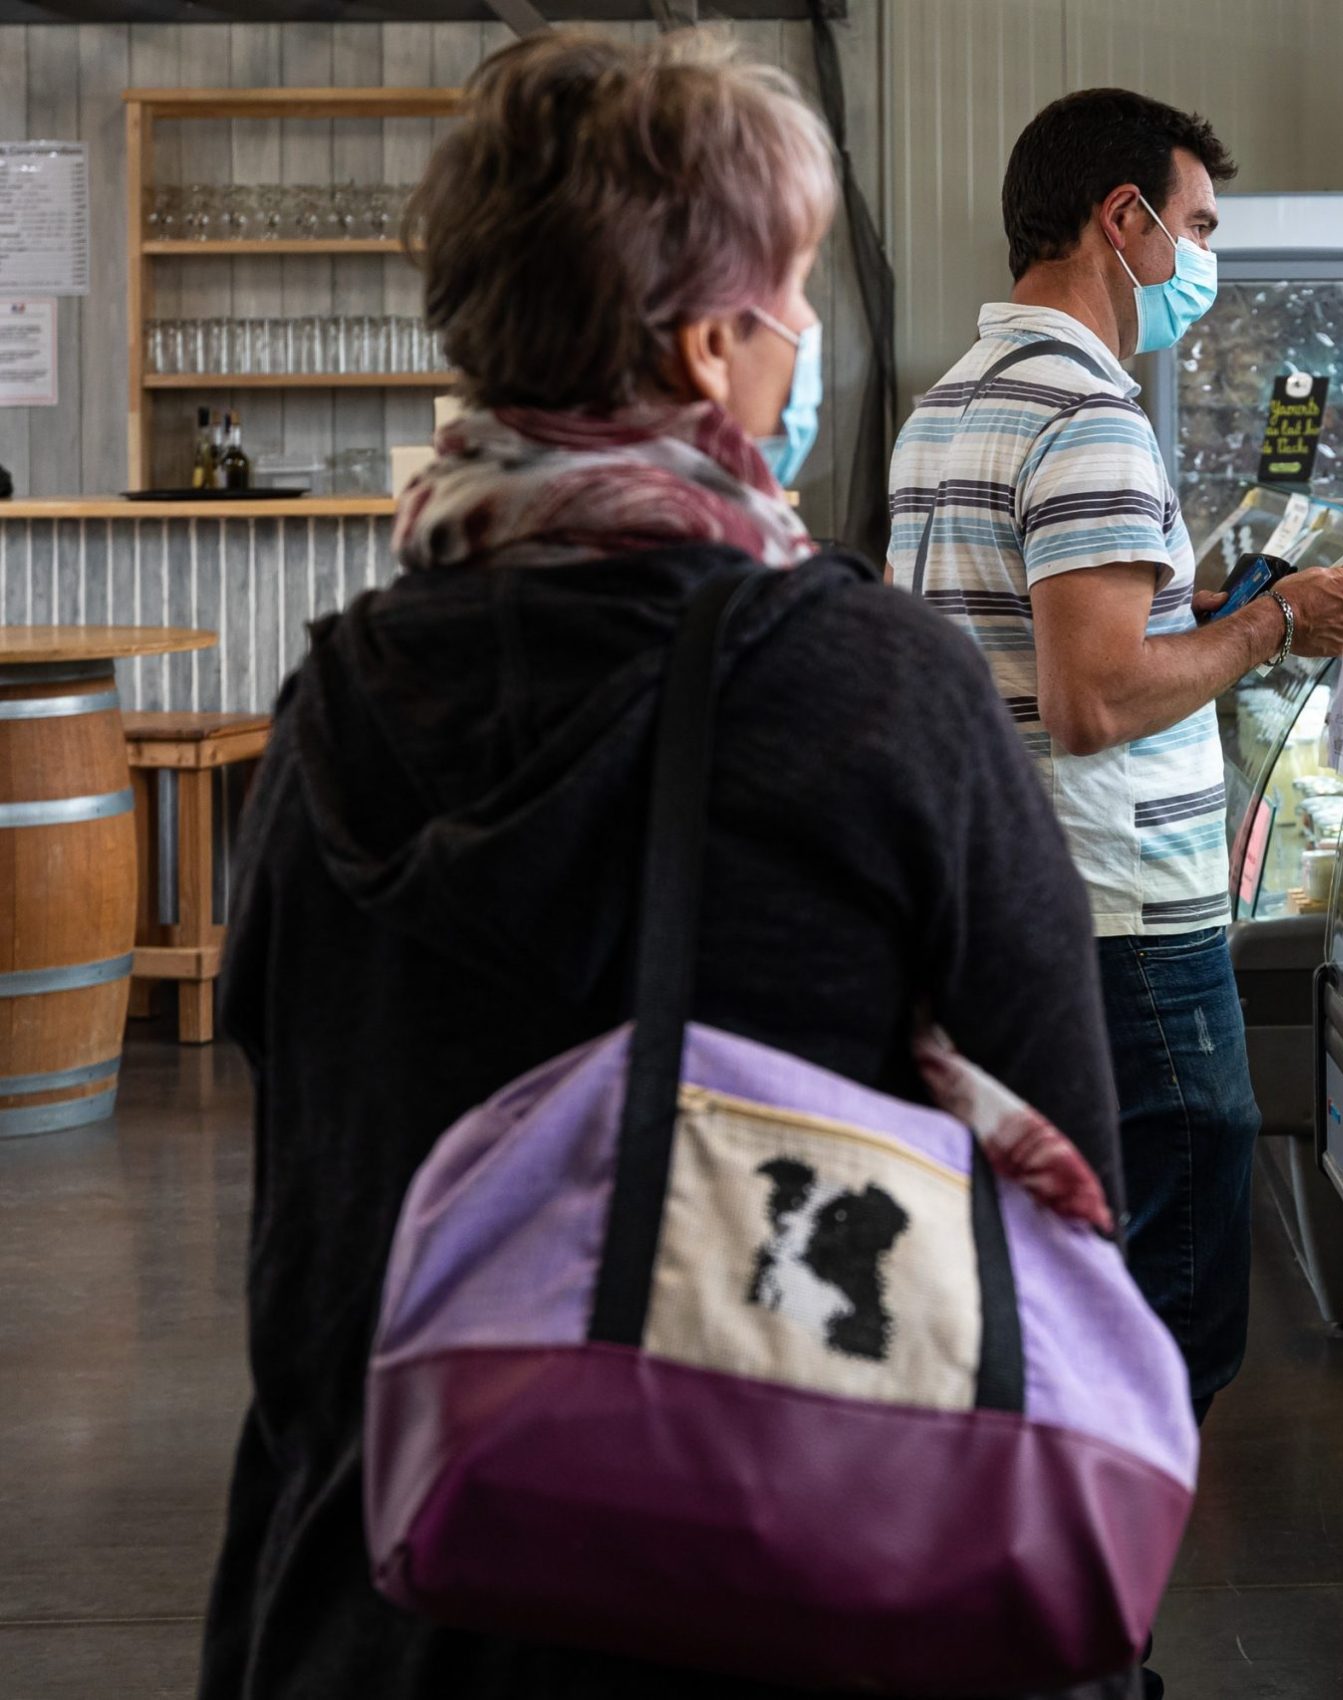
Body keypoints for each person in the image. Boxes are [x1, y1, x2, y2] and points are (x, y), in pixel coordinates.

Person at [201, 32, 1135, 1700]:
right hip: (784, 1587)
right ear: (713, 344)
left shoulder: (331, 707)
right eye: (797, 295)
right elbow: (1067, 1193)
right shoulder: (879, 694)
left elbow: (307, 1211)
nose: (809, 340)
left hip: (396, 1598)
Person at [887, 89, 1343, 1419]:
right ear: (1123, 219)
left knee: (1042, 1278)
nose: (1203, 259)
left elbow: (1024, 643)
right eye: (1196, 227)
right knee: (1170, 1295)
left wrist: (1188, 611)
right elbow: (1091, 699)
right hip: (1122, 916)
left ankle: (1038, 1538)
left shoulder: (951, 404)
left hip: (1002, 896)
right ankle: (1114, 1546)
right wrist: (1274, 624)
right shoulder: (1089, 417)